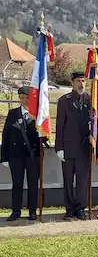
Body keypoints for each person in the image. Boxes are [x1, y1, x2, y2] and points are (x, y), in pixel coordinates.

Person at [0, 86, 42, 221]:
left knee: (33, 184)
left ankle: (32, 211)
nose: (24, 100)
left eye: (27, 98)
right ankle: (16, 211)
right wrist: (4, 157)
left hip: (32, 155)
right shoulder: (13, 113)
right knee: (17, 184)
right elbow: (5, 136)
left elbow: (44, 136)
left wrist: (42, 133)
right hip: (15, 155)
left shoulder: (38, 114)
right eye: (22, 98)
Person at [55, 72, 91, 220]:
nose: (81, 84)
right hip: (68, 147)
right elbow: (59, 125)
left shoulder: (91, 99)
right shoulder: (64, 101)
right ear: (72, 83)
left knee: (82, 181)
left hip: (84, 147)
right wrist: (59, 147)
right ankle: (70, 209)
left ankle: (81, 208)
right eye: (78, 81)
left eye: (83, 81)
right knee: (68, 180)